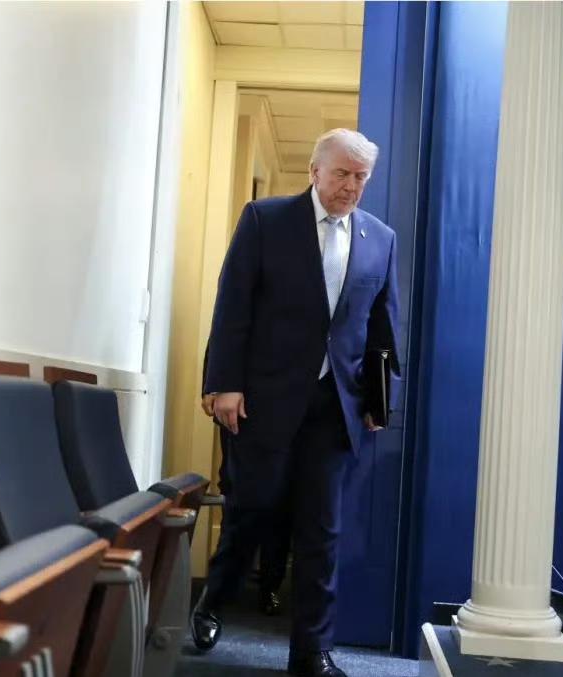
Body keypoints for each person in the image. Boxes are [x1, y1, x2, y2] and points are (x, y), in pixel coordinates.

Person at [192, 128, 399, 677]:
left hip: (335, 407)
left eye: (361, 177)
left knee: (321, 529)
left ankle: (311, 652)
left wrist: (380, 401)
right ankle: (213, 601)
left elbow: (383, 327)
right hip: (263, 400)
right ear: (314, 171)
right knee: (251, 511)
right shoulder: (265, 220)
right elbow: (232, 306)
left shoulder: (380, 238)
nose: (351, 186)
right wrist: (224, 383)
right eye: (342, 174)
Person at [201, 350, 290, 617]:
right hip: (239, 404)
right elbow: (224, 335)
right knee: (235, 492)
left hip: (288, 401)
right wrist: (212, 385)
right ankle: (218, 594)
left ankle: (270, 585)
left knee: (282, 499)